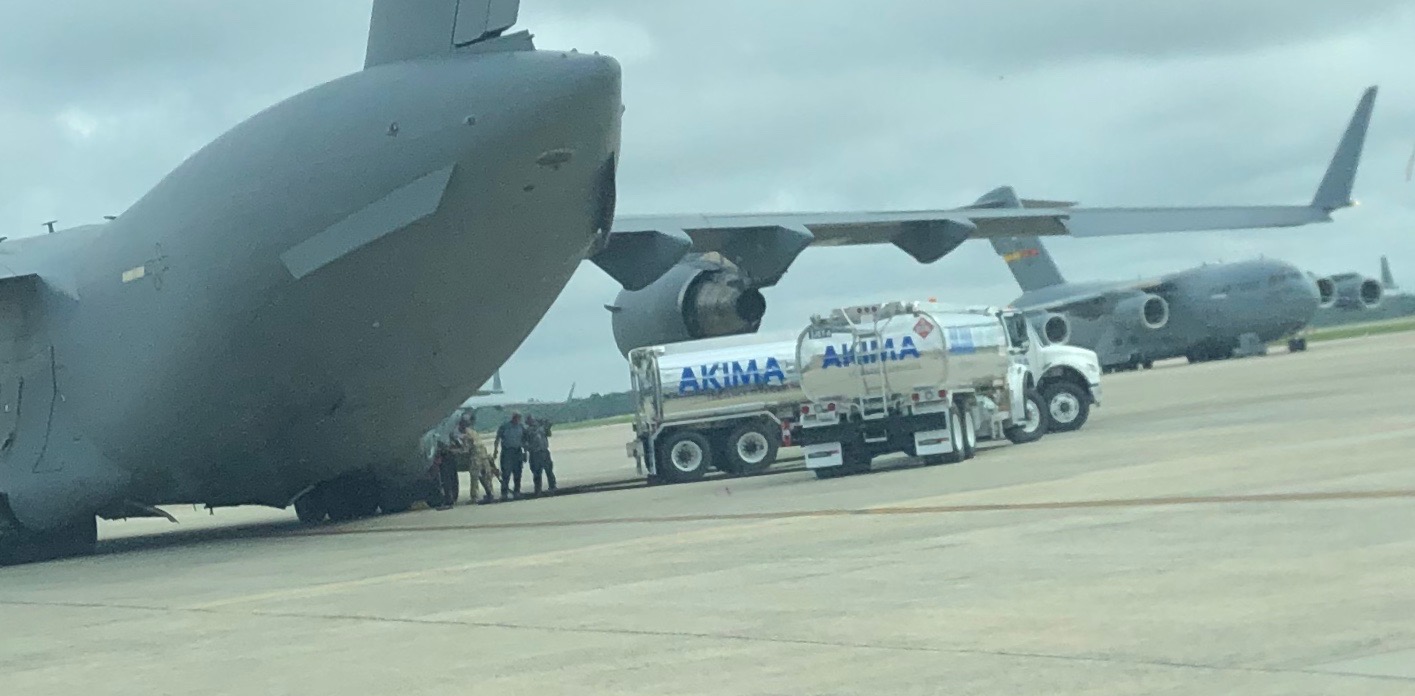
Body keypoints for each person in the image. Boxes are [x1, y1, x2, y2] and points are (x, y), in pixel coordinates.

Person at [454, 412, 497, 504]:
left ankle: (474, 497)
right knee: (486, 477)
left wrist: (454, 451)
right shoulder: (474, 432)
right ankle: (490, 494)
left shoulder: (466, 435)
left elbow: (465, 449)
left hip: (475, 458)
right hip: (484, 457)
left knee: (475, 477)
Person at [493, 412, 527, 501]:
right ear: (513, 418)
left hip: (518, 452)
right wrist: (495, 450)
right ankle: (504, 494)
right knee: (506, 474)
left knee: (518, 473)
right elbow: (497, 438)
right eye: (516, 418)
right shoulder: (505, 427)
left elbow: (524, 440)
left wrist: (525, 452)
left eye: (519, 418)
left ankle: (517, 492)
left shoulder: (521, 427)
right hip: (507, 452)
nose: (517, 420)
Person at [525, 415, 557, 496]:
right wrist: (528, 448)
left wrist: (543, 422)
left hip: (544, 451)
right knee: (537, 473)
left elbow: (549, 429)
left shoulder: (542, 428)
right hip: (534, 453)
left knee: (549, 470)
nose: (532, 422)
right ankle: (538, 490)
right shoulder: (527, 431)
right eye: (530, 420)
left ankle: (552, 487)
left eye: (532, 420)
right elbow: (524, 442)